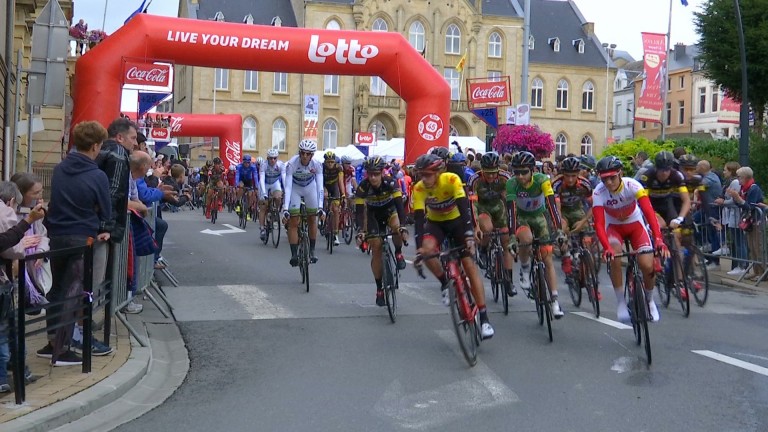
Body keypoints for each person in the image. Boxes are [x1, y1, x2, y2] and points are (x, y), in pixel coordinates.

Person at [40, 121, 113, 365]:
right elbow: (106, 210)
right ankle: (62, 349)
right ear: (94, 146)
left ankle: (52, 342)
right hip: (82, 236)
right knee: (74, 291)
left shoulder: (60, 169)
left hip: (57, 235)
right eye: (100, 145)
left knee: (57, 289)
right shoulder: (97, 175)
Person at [412, 154, 494, 339]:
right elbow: (418, 220)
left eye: (427, 175)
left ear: (438, 172)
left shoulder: (451, 179)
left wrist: (468, 236)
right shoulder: (418, 188)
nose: (423, 179)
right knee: (427, 250)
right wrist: (419, 250)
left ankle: (484, 317)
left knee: (470, 267)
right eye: (420, 175)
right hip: (436, 224)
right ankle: (444, 283)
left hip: (457, 222)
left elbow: (464, 208)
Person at [592, 156, 667, 323]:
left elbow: (649, 213)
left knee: (647, 265)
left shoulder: (633, 185)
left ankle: (649, 300)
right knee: (614, 255)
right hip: (613, 229)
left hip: (635, 225)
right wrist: (606, 248)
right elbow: (598, 223)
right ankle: (620, 301)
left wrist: (659, 239)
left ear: (620, 173)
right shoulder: (598, 192)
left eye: (612, 177)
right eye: (604, 179)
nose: (609, 182)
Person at [506, 151, 566, 318]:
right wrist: (512, 236)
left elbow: (552, 205)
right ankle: (525, 269)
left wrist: (559, 229)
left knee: (547, 258)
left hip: (540, 217)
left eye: (524, 172)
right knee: (526, 239)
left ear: (532, 170)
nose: (519, 176)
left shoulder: (542, 180)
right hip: (522, 218)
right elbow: (511, 211)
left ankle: (554, 300)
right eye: (516, 172)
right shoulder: (512, 184)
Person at [354, 157, 408, 306]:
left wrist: (403, 225)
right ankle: (379, 289)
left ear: (381, 173)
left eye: (376, 174)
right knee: (376, 248)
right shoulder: (363, 188)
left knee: (397, 227)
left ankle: (398, 252)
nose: (372, 177)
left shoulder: (391, 183)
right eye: (370, 174)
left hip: (390, 211)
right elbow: (359, 213)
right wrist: (360, 231)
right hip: (373, 216)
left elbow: (399, 205)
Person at [468, 151, 515, 297]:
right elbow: (472, 205)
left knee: (506, 241)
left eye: (493, 173)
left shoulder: (505, 177)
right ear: (482, 170)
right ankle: (483, 249)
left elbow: (511, 202)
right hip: (482, 208)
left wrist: (513, 227)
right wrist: (476, 226)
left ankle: (509, 281)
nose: (490, 176)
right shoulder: (474, 179)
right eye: (487, 173)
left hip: (498, 207)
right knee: (487, 228)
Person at [283, 140, 324, 266]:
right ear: (299, 153)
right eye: (302, 153)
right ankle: (294, 254)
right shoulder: (292, 164)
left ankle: (312, 251)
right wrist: (285, 208)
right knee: (293, 221)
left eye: (308, 154)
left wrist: (321, 206)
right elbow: (288, 187)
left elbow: (320, 186)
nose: (305, 156)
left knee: (313, 219)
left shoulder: (316, 165)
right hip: (295, 188)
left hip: (310, 188)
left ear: (312, 155)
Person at [551, 157, 593, 279]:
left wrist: (583, 221)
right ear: (562, 173)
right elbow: (556, 208)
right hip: (562, 210)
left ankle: (589, 275)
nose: (570, 179)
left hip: (576, 209)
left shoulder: (585, 184)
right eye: (567, 175)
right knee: (562, 229)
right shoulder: (556, 184)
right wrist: (560, 222)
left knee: (586, 237)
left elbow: (594, 205)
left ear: (578, 173)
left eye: (573, 176)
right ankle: (566, 256)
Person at [728, 167, 765, 281]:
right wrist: (736, 198)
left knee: (757, 247)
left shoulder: (754, 189)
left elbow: (750, 206)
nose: (738, 180)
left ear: (745, 177)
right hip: (749, 221)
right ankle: (756, 271)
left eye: (739, 177)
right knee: (751, 247)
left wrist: (738, 198)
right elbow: (741, 205)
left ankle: (762, 272)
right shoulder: (744, 188)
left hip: (757, 221)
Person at [259, 149, 285, 241]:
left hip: (275, 183)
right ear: (267, 158)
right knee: (263, 206)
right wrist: (264, 193)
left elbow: (284, 178)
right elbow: (261, 179)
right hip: (265, 184)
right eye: (271, 158)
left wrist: (285, 190)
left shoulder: (281, 165)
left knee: (278, 197)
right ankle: (262, 228)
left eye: (274, 158)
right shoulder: (264, 165)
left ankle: (275, 212)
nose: (273, 160)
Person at [322, 151, 345, 246]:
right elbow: (319, 181)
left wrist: (343, 194)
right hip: (325, 185)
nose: (330, 164)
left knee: (336, 209)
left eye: (332, 162)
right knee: (325, 199)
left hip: (334, 185)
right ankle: (324, 219)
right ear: (325, 162)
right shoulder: (321, 167)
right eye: (328, 162)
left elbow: (340, 181)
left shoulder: (339, 168)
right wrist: (323, 190)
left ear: (335, 162)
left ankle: (335, 234)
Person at [235, 155, 258, 219]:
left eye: (248, 162)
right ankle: (237, 202)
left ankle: (247, 209)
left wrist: (256, 185)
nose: (247, 164)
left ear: (250, 162)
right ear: (243, 162)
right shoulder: (239, 166)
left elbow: (255, 176)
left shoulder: (253, 167)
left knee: (250, 195)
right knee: (241, 188)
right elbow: (237, 176)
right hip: (241, 179)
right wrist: (237, 184)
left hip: (248, 180)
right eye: (245, 162)